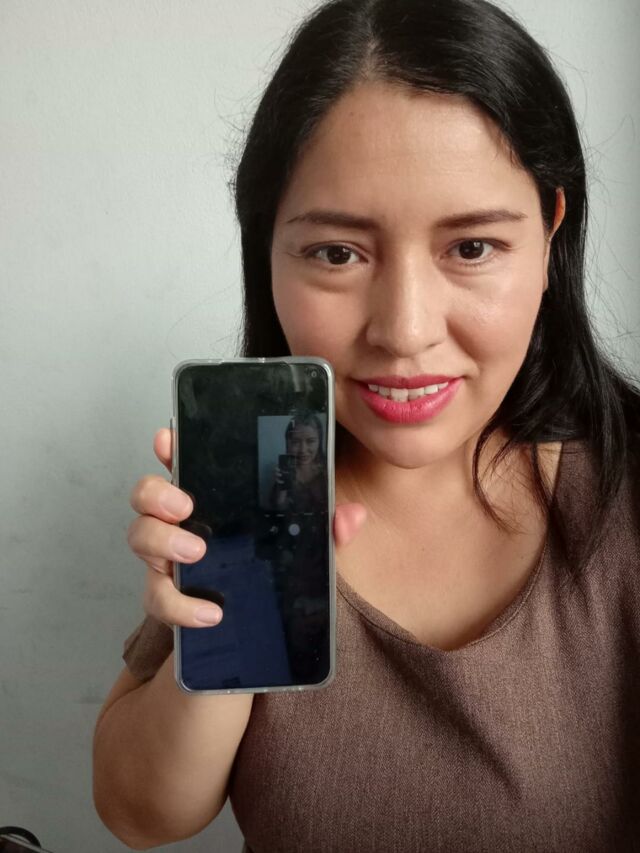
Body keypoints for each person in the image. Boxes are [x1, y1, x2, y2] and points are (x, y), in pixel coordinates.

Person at [92, 0, 640, 850]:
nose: (405, 330)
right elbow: (140, 813)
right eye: (338, 254)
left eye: (472, 248)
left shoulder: (624, 500)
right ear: (267, 247)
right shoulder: (256, 487)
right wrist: (238, 617)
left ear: (550, 236)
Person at [270, 411, 327, 512]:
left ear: (320, 441)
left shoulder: (328, 467)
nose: (303, 450)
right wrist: (281, 487)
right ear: (288, 443)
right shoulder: (286, 469)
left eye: (310, 441)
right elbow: (279, 509)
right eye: (295, 442)